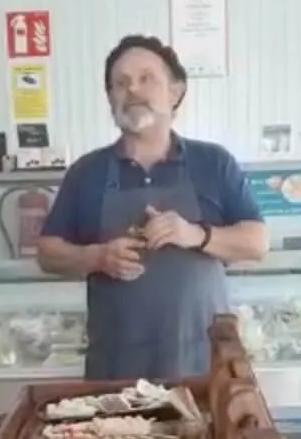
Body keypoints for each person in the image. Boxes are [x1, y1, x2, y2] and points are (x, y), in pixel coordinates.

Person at [36, 34, 268, 380]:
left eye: (146, 79)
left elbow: (257, 242)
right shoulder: (87, 172)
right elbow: (47, 253)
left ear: (175, 92)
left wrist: (195, 235)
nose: (132, 90)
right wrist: (97, 257)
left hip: (203, 366)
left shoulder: (213, 163)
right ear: (110, 98)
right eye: (121, 83)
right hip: (116, 372)